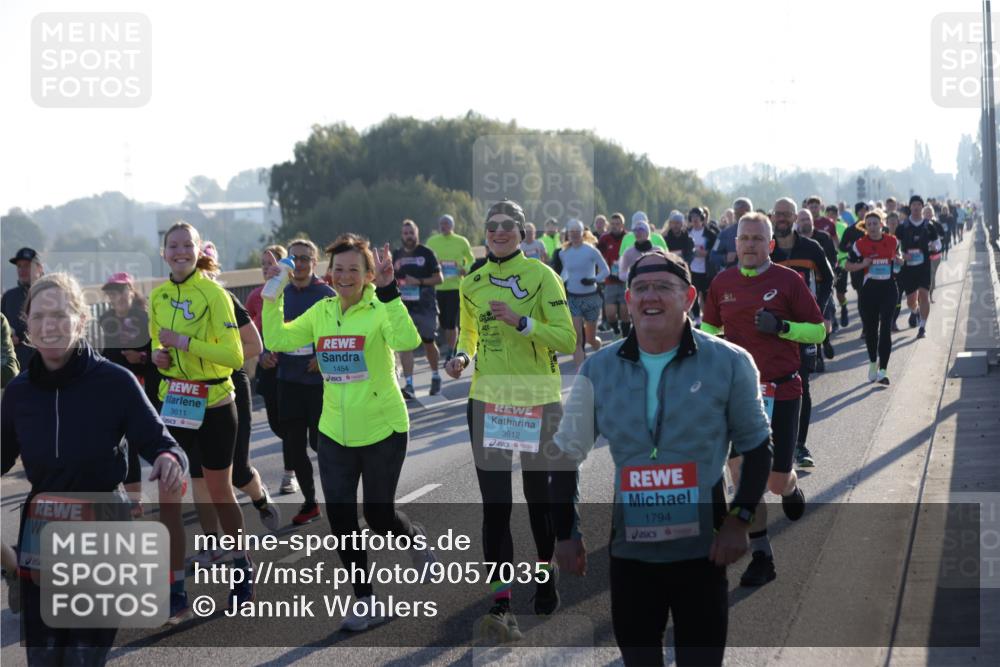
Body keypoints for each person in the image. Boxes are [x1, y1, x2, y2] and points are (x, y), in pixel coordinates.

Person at [551, 249, 773, 667]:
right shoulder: (598, 369)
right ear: (629, 300)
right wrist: (565, 532)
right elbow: (565, 456)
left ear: (689, 297)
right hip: (631, 556)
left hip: (703, 553)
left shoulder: (730, 362)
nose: (650, 296)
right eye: (640, 288)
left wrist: (740, 519)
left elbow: (757, 445)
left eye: (663, 287)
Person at [2, 272, 187, 665]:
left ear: (81, 320)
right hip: (42, 530)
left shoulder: (114, 381)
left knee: (82, 659)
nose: (48, 325)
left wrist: (170, 460)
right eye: (38, 317)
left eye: (59, 314)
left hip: (102, 526)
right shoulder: (19, 392)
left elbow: (160, 440)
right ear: (27, 325)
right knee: (45, 659)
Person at [264, 233, 435, 631]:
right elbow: (277, 339)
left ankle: (413, 538)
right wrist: (273, 296)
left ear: (368, 275)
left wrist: (391, 293)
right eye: (338, 269)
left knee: (378, 517)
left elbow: (407, 340)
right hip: (335, 433)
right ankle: (366, 600)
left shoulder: (379, 307)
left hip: (382, 429)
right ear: (330, 272)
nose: (344, 277)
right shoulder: (322, 312)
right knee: (341, 521)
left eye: (353, 270)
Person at [444, 199, 576, 640]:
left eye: (507, 225)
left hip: (537, 400)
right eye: (491, 225)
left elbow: (567, 339)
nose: (498, 231)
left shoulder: (542, 276)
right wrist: (461, 355)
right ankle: (501, 604)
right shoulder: (473, 282)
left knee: (539, 501)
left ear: (522, 231)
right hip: (487, 401)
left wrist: (524, 323)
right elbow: (469, 332)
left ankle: (545, 569)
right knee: (496, 507)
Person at [702, 213, 825, 587]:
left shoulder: (789, 281)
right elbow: (709, 330)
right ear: (735, 243)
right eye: (744, 238)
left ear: (770, 244)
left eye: (758, 238)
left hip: (783, 389)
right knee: (741, 475)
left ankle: (790, 487)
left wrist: (783, 327)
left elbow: (818, 330)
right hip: (739, 394)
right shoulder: (722, 283)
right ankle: (762, 555)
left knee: (773, 481)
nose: (750, 245)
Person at [150, 221, 250, 621]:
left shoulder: (214, 293)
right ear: (163, 253)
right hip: (173, 403)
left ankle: (240, 570)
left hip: (214, 403)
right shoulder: (156, 296)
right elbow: (160, 345)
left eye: (186, 245)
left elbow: (237, 357)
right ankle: (176, 587)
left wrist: (185, 343)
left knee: (219, 492)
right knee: (168, 503)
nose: (179, 252)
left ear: (197, 250)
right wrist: (160, 355)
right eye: (172, 246)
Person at [191, 242, 281, 548]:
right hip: (190, 393)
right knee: (197, 473)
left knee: (238, 472)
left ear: (213, 270)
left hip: (229, 386)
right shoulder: (171, 302)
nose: (198, 274)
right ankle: (212, 543)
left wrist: (211, 356)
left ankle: (260, 497)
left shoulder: (225, 299)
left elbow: (254, 347)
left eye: (205, 267)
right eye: (194, 267)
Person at [270, 239, 335, 526]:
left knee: (321, 444)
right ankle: (310, 502)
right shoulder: (279, 291)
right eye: (294, 257)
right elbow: (265, 325)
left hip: (317, 382)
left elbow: (341, 332)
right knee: (295, 447)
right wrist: (265, 353)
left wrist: (322, 358)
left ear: (315, 261)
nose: (299, 263)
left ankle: (338, 495)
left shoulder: (326, 294)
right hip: (288, 379)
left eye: (306, 258)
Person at [768, 200, 833, 470]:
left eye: (786, 214)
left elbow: (829, 278)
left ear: (795, 217)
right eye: (777, 214)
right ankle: (773, 444)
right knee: (770, 386)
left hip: (804, 329)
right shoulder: (764, 250)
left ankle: (799, 445)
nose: (781, 219)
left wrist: (819, 309)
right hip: (771, 330)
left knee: (802, 385)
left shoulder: (811, 248)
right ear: (772, 217)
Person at [99, 272, 156, 511]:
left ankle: (176, 474)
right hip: (117, 391)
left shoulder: (145, 317)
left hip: (146, 387)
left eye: (121, 291)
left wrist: (140, 356)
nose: (117, 296)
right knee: (125, 445)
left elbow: (161, 353)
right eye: (112, 292)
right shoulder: (105, 319)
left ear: (131, 291)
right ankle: (135, 502)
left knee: (151, 440)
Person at [245, 244, 298, 494]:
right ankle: (296, 445)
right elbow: (251, 333)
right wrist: (262, 353)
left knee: (290, 422)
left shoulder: (294, 290)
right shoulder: (255, 296)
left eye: (272, 263)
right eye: (264, 264)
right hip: (267, 364)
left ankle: (290, 473)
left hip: (291, 362)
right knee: (277, 424)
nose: (267, 268)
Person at [845, 211, 901, 385]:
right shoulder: (859, 244)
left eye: (875, 223)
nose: (872, 227)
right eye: (868, 224)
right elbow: (847, 265)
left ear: (881, 224)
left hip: (889, 289)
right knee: (871, 330)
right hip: (869, 292)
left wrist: (899, 261)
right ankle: (872, 363)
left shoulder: (892, 241)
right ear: (865, 227)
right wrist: (863, 264)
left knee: (885, 328)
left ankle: (883, 370)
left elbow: (898, 261)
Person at [394, 220, 444, 398]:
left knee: (428, 343)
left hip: (426, 306)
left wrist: (419, 282)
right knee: (405, 345)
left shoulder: (427, 253)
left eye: (411, 233)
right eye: (405, 233)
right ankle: (409, 385)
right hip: (404, 307)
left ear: (417, 234)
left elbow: (439, 278)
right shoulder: (396, 255)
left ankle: (436, 375)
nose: (408, 236)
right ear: (402, 235)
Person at [560, 219, 610, 367]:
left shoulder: (591, 251)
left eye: (577, 231)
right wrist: (560, 283)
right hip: (573, 297)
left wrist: (593, 279)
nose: (574, 234)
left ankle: (597, 347)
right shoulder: (564, 253)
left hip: (591, 297)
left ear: (583, 233)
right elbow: (566, 272)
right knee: (577, 338)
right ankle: (579, 375)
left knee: (590, 339)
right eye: (572, 232)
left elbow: (606, 270)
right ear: (568, 234)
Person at [425, 214, 475, 362]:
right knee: (444, 322)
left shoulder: (461, 241)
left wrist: (465, 268)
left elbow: (471, 259)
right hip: (437, 287)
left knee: (451, 322)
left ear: (452, 225)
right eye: (441, 223)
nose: (444, 226)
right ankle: (450, 346)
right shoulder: (432, 241)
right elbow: (426, 261)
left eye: (446, 223)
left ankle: (450, 351)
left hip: (455, 286)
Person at [796, 210, 839, 366]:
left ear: (812, 221)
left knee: (825, 322)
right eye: (801, 219)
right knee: (810, 323)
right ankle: (818, 356)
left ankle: (826, 340)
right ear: (796, 222)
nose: (805, 222)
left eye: (807, 219)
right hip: (801, 287)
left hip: (822, 285)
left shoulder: (823, 238)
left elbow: (833, 259)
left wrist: (831, 274)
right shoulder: (793, 241)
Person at [897, 195, 941, 339]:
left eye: (918, 205)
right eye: (913, 205)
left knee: (924, 295)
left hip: (924, 266)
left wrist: (933, 246)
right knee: (911, 300)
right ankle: (914, 311)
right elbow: (895, 246)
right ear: (910, 207)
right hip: (908, 268)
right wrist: (902, 254)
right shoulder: (902, 226)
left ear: (922, 207)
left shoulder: (929, 225)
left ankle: (922, 327)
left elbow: (938, 244)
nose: (916, 207)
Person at [2, 247, 44, 370]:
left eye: (27, 265)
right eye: (19, 266)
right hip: (16, 369)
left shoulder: (50, 295)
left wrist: (20, 337)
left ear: (39, 268)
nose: (22, 270)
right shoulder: (9, 296)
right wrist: (7, 338)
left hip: (45, 367)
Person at [597, 213, 630, 337]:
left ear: (622, 225)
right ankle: (616, 331)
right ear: (610, 225)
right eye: (613, 224)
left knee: (624, 312)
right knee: (610, 313)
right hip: (610, 280)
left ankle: (625, 337)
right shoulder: (605, 239)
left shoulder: (628, 237)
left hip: (625, 281)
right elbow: (597, 257)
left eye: (618, 224)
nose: (615, 226)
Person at [686, 208, 718, 326]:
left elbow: (716, 251)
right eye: (692, 217)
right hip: (692, 269)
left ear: (702, 219)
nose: (695, 220)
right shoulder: (687, 233)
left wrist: (707, 253)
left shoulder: (710, 234)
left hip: (706, 270)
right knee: (693, 293)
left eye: (697, 217)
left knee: (706, 296)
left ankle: (708, 318)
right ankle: (697, 319)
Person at [710, 198, 752, 273]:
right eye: (738, 214)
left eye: (744, 213)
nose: (741, 217)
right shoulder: (724, 234)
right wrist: (725, 258)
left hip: (756, 276)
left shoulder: (761, 231)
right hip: (733, 277)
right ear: (734, 214)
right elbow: (713, 255)